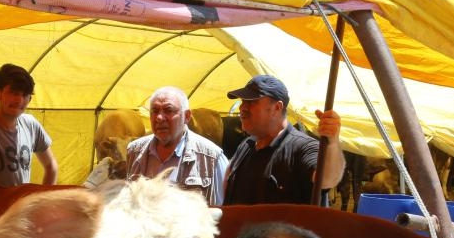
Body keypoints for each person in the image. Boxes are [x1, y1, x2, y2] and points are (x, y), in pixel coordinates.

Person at [222, 75, 345, 205]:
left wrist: (332, 143)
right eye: (242, 101)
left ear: (277, 108)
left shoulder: (303, 147)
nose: (242, 108)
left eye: (251, 102)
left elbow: (327, 179)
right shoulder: (245, 147)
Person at [125, 86, 228, 205]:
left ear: (187, 116)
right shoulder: (134, 151)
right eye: (155, 111)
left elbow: (223, 210)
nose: (159, 118)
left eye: (168, 110)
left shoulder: (212, 157)